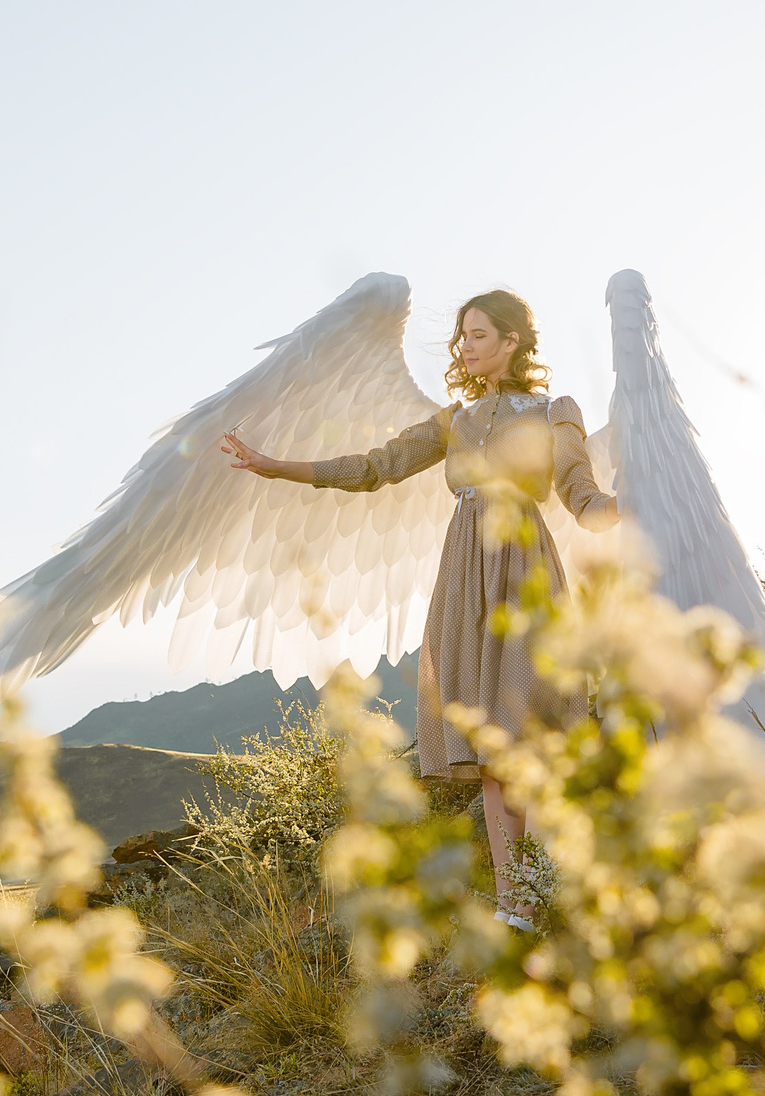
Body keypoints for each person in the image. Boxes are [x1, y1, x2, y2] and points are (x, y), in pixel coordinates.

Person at [220, 289, 618, 929]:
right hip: (464, 572)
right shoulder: (452, 421)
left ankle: (551, 882)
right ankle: (516, 898)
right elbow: (376, 467)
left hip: (522, 565)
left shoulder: (553, 409)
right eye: (462, 336)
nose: (466, 347)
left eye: (479, 335)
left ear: (513, 340)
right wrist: (275, 468)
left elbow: (578, 488)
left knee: (533, 728)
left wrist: (612, 511)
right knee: (490, 744)